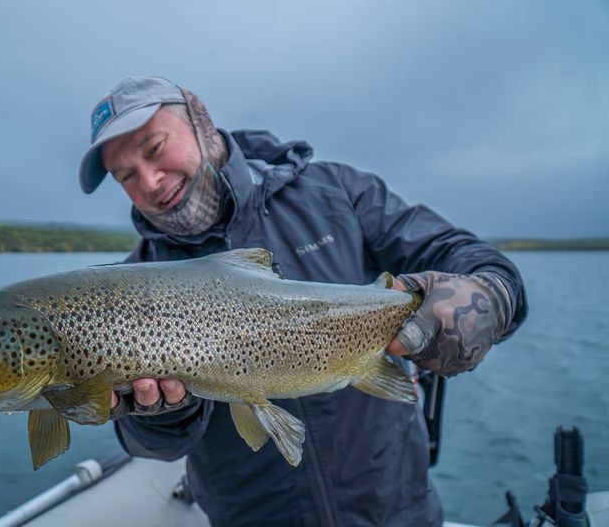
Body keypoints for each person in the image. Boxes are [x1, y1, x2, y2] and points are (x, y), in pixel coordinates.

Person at [77, 76, 527, 526]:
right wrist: (159, 415)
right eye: (127, 176)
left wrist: (486, 296)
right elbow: (149, 446)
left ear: (201, 122)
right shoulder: (128, 292)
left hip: (395, 509)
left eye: (155, 149)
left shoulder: (336, 193)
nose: (151, 182)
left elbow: (478, 262)